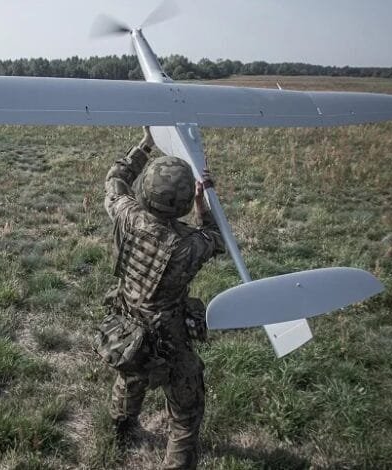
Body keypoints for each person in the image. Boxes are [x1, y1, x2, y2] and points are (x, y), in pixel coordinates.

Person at [95, 127, 225, 469]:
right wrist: (203, 202)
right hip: (169, 336)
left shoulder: (125, 214)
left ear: (146, 190)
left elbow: (115, 177)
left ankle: (120, 430)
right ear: (182, 203)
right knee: (186, 409)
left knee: (130, 375)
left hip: (126, 323)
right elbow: (216, 237)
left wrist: (145, 144)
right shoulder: (190, 245)